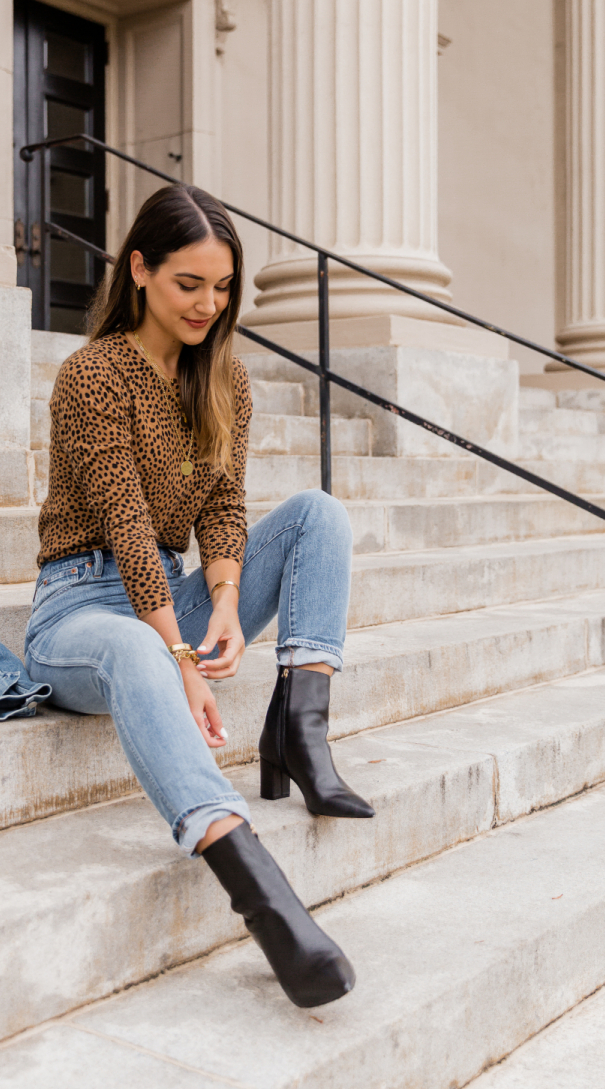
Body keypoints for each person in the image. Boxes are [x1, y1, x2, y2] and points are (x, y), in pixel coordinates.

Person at [24, 183, 373, 1009]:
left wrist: (221, 603)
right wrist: (178, 655)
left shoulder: (226, 380)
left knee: (317, 515)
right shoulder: (93, 374)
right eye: (190, 285)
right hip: (78, 611)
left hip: (170, 597)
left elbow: (222, 506)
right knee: (141, 640)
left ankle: (301, 729)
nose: (209, 306)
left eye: (222, 289)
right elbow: (126, 525)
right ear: (139, 269)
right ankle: (266, 899)